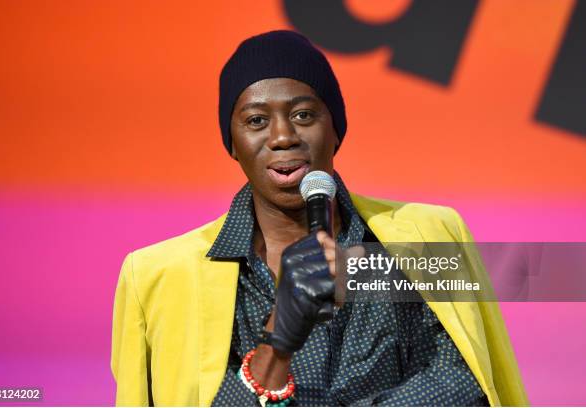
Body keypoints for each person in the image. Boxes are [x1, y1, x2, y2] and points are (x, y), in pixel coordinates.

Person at [111, 30, 528, 407]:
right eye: (256, 120)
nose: (282, 137)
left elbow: (464, 387)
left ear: (336, 131)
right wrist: (276, 346)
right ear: (232, 143)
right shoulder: (156, 277)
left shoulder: (429, 235)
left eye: (303, 115)